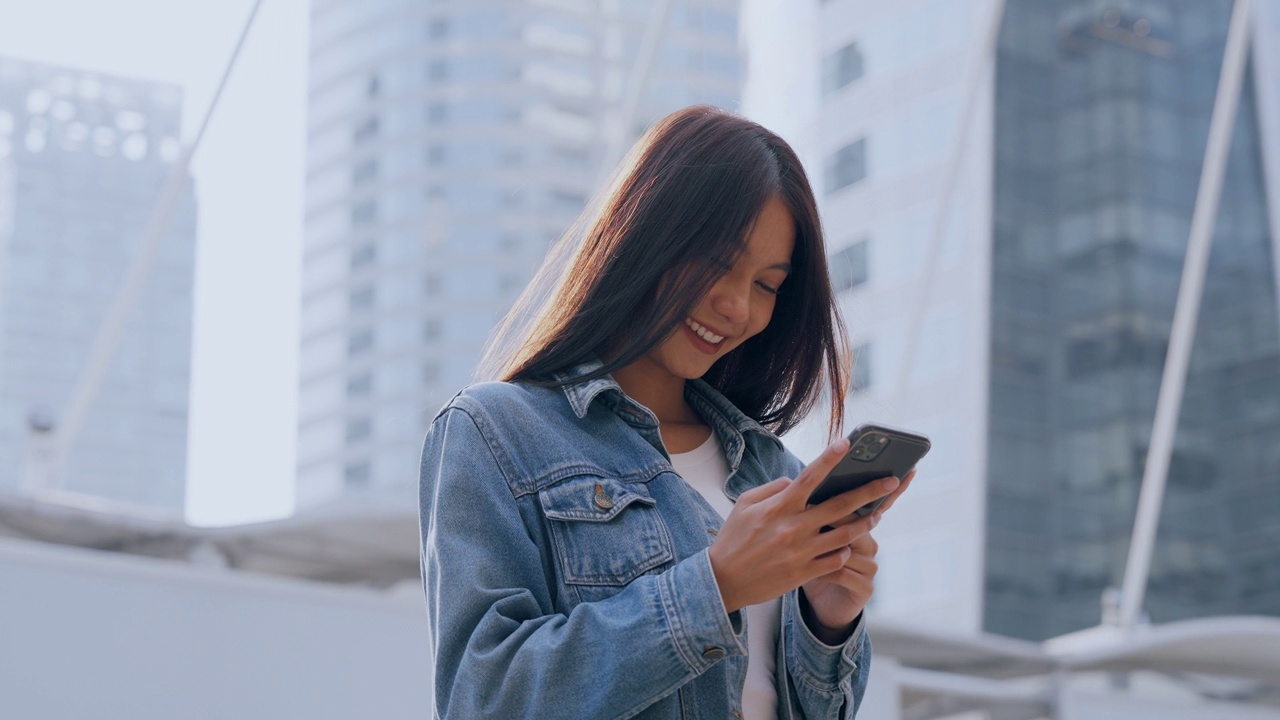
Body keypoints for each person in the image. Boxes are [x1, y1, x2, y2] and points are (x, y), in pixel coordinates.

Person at [419, 105, 914, 719]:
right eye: (716, 263)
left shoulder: (776, 472)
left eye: (767, 285)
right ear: (647, 234)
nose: (737, 307)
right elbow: (484, 698)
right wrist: (716, 584)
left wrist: (826, 622)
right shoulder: (496, 432)